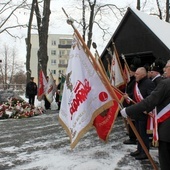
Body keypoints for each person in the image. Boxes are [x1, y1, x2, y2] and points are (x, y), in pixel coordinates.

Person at [122, 67, 155, 160]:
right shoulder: (137, 83)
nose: (135, 75)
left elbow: (151, 98)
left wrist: (147, 109)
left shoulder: (149, 83)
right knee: (138, 133)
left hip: (144, 115)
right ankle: (139, 149)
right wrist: (128, 96)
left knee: (143, 134)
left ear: (143, 75)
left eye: (137, 74)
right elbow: (134, 96)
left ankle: (144, 152)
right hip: (137, 113)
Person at [123, 64, 137, 145]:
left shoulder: (134, 81)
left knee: (132, 121)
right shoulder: (131, 80)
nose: (129, 72)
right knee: (130, 121)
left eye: (130, 71)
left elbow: (134, 92)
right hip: (129, 103)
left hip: (132, 103)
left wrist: (129, 95)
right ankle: (131, 135)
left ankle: (133, 138)